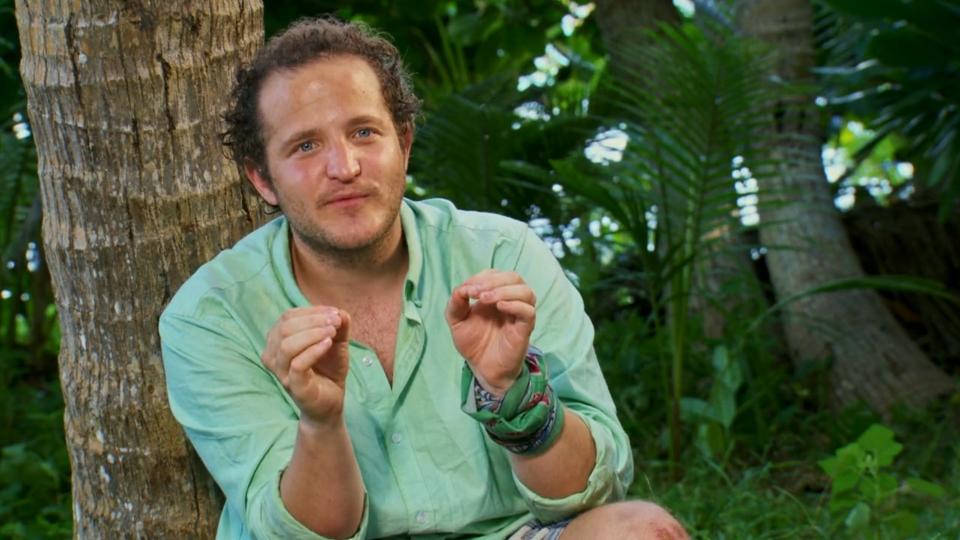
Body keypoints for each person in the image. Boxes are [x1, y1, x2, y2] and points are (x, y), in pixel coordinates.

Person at [159, 16, 687, 540]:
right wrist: (319, 422)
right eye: (305, 146)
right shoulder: (209, 316)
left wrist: (510, 393)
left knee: (643, 530)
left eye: (364, 133)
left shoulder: (503, 255)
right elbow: (304, 534)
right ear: (262, 178)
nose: (344, 167)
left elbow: (590, 492)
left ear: (404, 144)